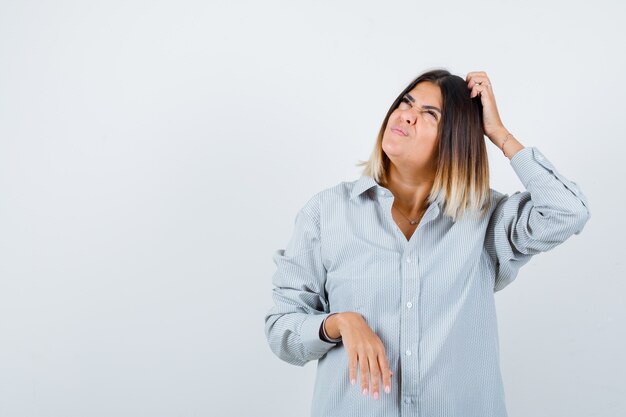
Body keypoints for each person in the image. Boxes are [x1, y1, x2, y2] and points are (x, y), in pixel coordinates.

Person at [264, 68, 590, 417]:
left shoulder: (485, 218)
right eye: (406, 102)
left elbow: (567, 211)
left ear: (456, 138)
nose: (406, 114)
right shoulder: (327, 212)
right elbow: (281, 328)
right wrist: (337, 323)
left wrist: (498, 133)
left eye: (429, 114)